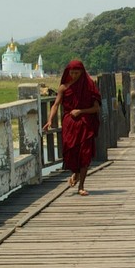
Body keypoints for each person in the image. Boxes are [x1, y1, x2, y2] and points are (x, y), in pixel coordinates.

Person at [43, 60, 101, 196]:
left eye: (77, 73)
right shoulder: (64, 87)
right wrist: (50, 119)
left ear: (82, 72)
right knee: (71, 151)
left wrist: (80, 111)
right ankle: (75, 173)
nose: (74, 76)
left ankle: (81, 186)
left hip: (85, 123)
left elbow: (96, 108)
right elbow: (56, 105)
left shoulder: (89, 86)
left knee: (85, 154)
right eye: (72, 73)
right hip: (70, 124)